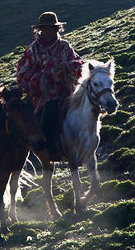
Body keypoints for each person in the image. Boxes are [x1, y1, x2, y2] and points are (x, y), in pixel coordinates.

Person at [16, 11, 85, 157]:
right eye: (45, 28)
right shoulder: (32, 50)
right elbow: (23, 72)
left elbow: (79, 63)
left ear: (57, 29)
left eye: (52, 28)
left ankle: (88, 143)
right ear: (40, 30)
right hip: (43, 96)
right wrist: (42, 78)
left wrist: (67, 67)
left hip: (67, 90)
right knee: (51, 109)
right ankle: (51, 148)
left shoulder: (65, 46)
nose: (49, 31)